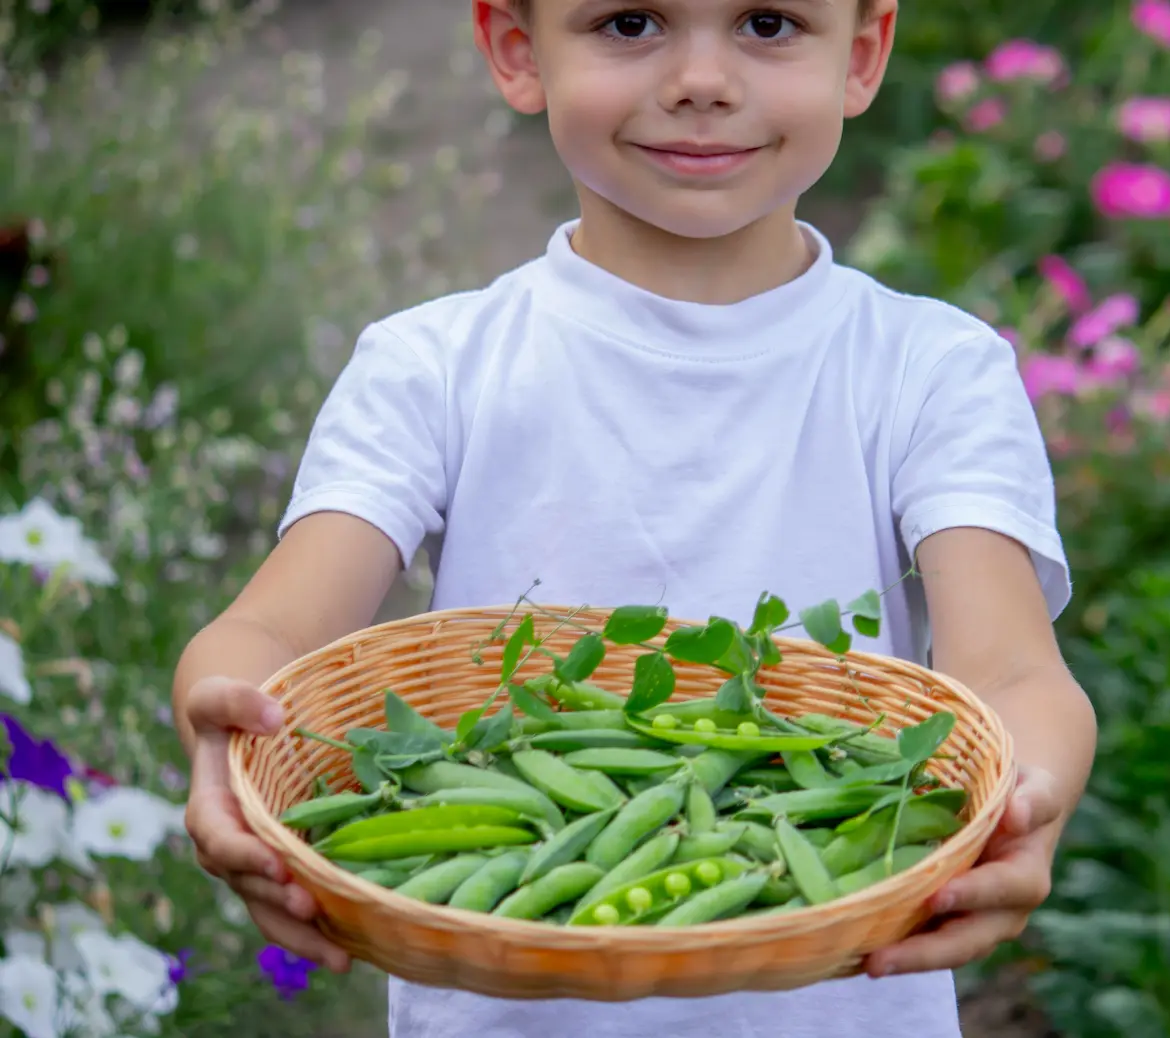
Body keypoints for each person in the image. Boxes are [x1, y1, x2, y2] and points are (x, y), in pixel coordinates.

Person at [171, 0, 1098, 1034]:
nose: (702, 79)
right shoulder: (432, 369)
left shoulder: (930, 371)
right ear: (518, 50)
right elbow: (271, 633)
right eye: (627, 23)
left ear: (864, 54)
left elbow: (1012, 672)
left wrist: (1028, 797)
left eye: (768, 22)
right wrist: (221, 722)